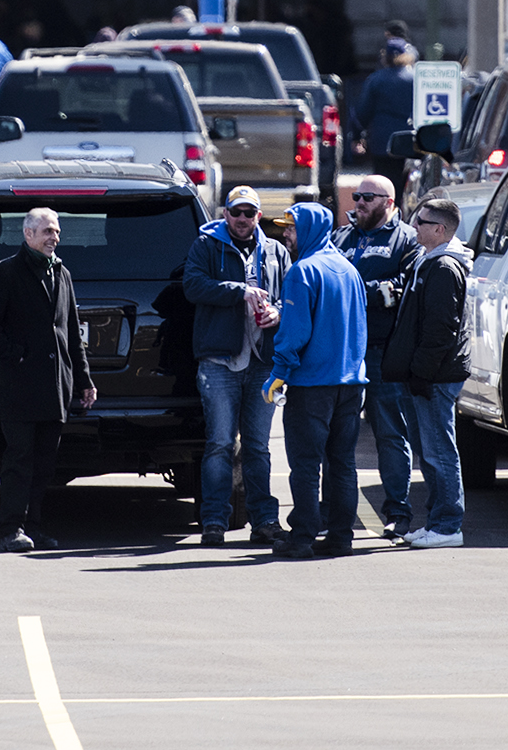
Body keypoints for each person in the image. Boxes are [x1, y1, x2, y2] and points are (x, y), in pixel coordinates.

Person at [0, 207, 95, 552]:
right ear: (28, 235)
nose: (53, 238)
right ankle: (11, 527)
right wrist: (16, 352)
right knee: (20, 460)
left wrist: (84, 380)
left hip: (56, 387)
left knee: (45, 463)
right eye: (46, 232)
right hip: (20, 386)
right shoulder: (6, 273)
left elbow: (71, 332)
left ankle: (35, 526)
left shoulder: (62, 273)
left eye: (56, 232)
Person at [180, 185, 290, 547]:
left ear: (258, 216)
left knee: (258, 446)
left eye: (249, 213)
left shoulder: (275, 250)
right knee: (220, 444)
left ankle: (265, 521)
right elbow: (193, 286)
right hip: (219, 361)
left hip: (262, 363)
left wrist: (277, 312)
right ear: (225, 214)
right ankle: (214, 522)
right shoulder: (206, 245)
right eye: (236, 212)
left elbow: (292, 298)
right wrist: (237, 290)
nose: (242, 219)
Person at [265, 201, 366, 559]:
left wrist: (278, 374)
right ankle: (341, 537)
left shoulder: (301, 272)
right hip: (351, 383)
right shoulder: (348, 269)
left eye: (291, 228)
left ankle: (302, 537)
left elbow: (294, 333)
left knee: (305, 465)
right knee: (342, 463)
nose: (286, 234)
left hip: (312, 386)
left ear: (307, 228)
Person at [384, 198, 474, 548]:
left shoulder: (444, 268)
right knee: (431, 451)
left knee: (439, 452)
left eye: (420, 221)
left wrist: (420, 372)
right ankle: (437, 521)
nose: (413, 226)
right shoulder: (429, 261)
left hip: (437, 377)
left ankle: (448, 527)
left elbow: (441, 331)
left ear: (440, 229)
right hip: (429, 375)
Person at [336, 174, 420, 538]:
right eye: (356, 196)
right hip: (344, 352)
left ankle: (398, 511)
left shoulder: (406, 239)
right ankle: (334, 510)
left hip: (385, 352)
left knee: (390, 434)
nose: (358, 203)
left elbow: (405, 288)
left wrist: (357, 290)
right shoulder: (342, 238)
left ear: (388, 201)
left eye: (366, 197)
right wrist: (374, 290)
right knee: (339, 433)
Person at [354, 37, 417, 188]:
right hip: (412, 142)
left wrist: (357, 136)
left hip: (382, 142)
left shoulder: (376, 80)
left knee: (384, 184)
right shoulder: (416, 79)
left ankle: (388, 209)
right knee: (409, 184)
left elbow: (363, 111)